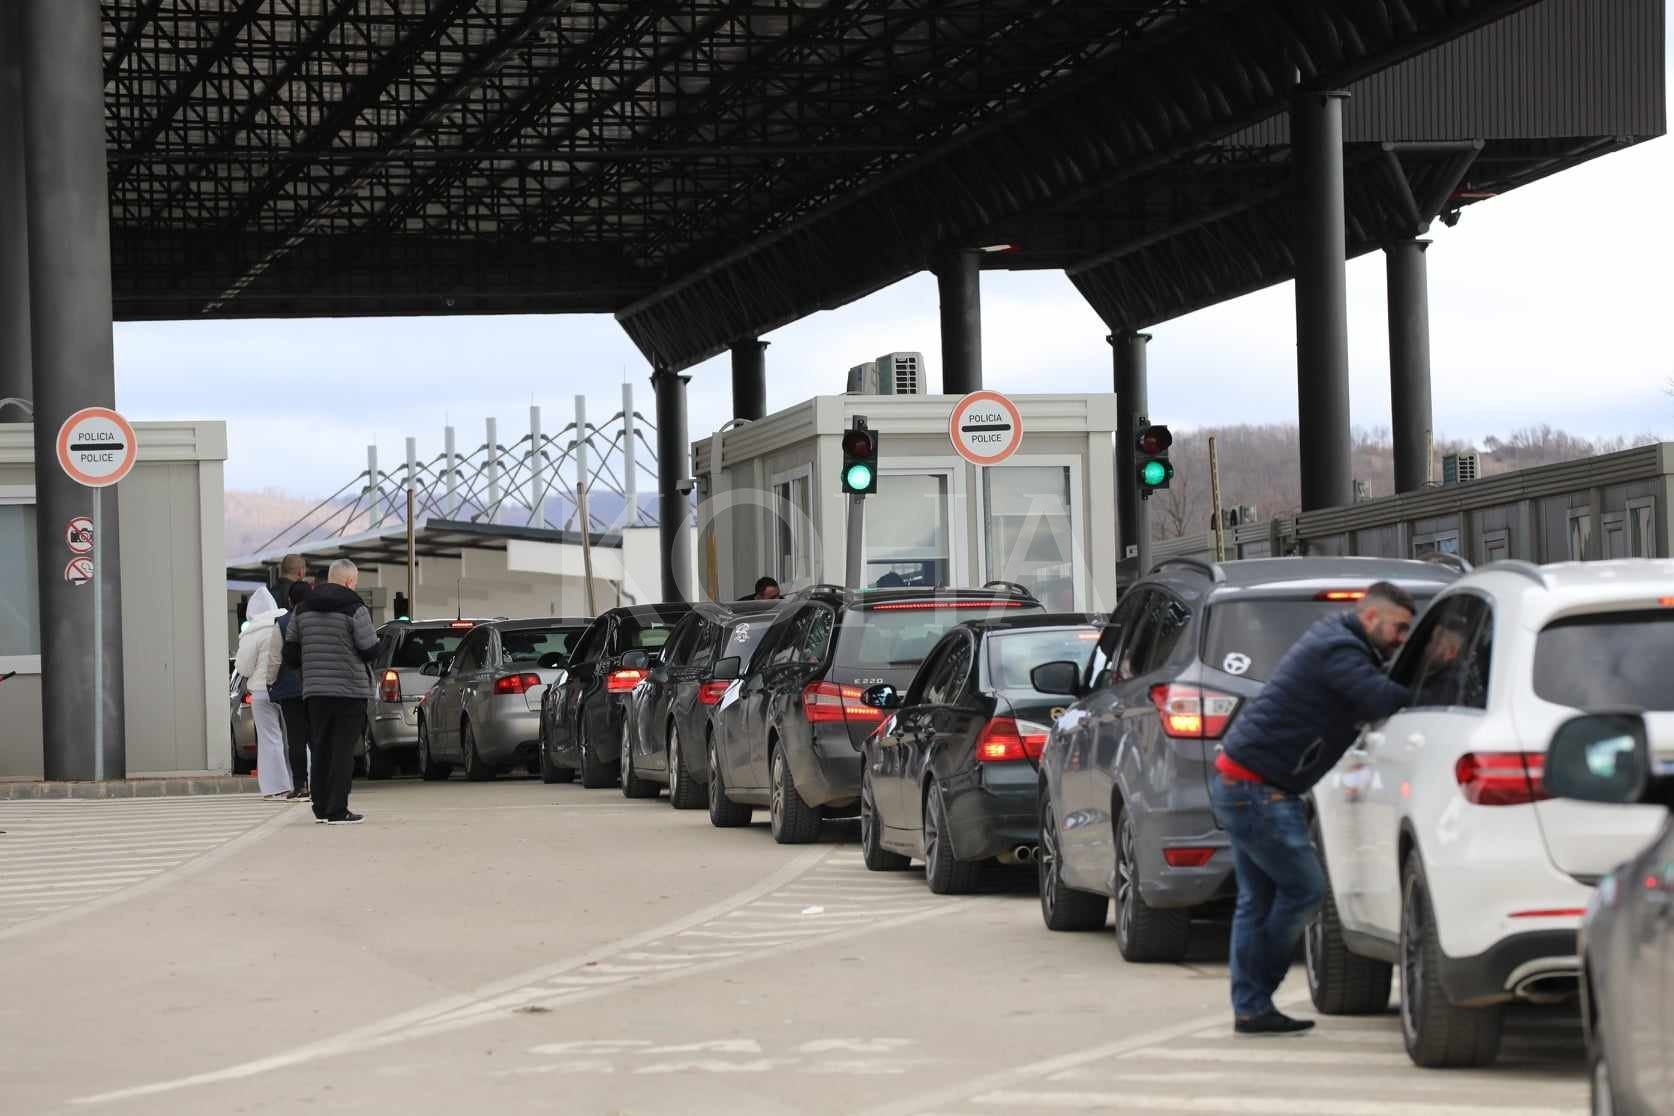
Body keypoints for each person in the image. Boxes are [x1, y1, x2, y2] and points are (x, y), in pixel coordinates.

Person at [1210, 581, 1416, 1036]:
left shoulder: (1336, 641)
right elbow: (1382, 700)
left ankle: (1251, 1007)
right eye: (1399, 628)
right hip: (1259, 790)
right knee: (1304, 891)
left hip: (1242, 780)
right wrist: (1430, 671)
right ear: (1370, 618)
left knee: (1256, 901)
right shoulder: (1339, 652)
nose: (1403, 637)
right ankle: (1259, 987)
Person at [283, 559, 379, 825]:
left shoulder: (302, 610)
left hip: (315, 690)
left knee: (321, 747)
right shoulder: (355, 608)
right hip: (350, 690)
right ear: (349, 581)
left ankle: (321, 807)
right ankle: (338, 809)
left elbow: (290, 654)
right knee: (342, 750)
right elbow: (369, 649)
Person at [232, 585, 292, 800]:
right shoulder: (287, 624)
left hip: (261, 692)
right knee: (295, 738)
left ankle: (276, 787)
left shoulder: (252, 632)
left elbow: (244, 668)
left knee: (270, 739)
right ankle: (302, 782)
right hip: (287, 689)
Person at [268, 580, 311, 801]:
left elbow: (275, 658)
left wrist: (270, 682)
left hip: (291, 688)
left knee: (296, 738)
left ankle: (300, 785)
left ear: (290, 601)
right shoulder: (320, 619)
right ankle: (322, 783)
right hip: (317, 687)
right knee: (318, 738)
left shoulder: (283, 623)